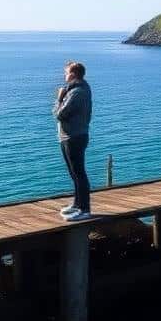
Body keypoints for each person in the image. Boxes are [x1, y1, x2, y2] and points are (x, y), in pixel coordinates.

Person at [53, 61, 93, 221]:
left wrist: (59, 98)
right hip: (70, 135)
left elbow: (60, 114)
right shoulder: (79, 89)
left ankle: (85, 209)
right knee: (74, 173)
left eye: (66, 72)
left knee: (79, 173)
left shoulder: (77, 92)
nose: (64, 75)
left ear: (73, 74)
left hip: (74, 137)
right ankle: (77, 204)